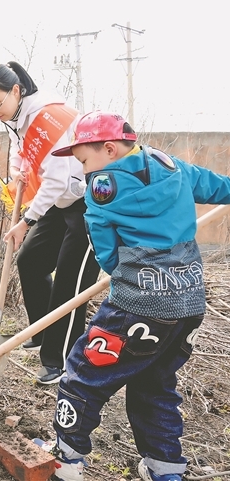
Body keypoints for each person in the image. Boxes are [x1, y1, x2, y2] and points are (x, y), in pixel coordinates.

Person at [36, 111, 230, 481]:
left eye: (84, 161)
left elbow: (104, 246)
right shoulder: (171, 165)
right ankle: (164, 468)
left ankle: (67, 458)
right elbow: (219, 187)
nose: (83, 170)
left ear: (109, 149)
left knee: (82, 373)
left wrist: (122, 273)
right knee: (155, 383)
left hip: (138, 306)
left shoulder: (102, 187)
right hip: (189, 303)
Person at [0, 62, 101, 385]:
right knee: (30, 260)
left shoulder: (46, 117)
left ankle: (60, 361)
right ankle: (44, 331)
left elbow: (58, 179)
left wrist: (27, 221)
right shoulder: (17, 116)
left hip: (89, 205)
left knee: (70, 284)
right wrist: (17, 170)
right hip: (61, 201)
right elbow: (20, 149)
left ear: (16, 91)